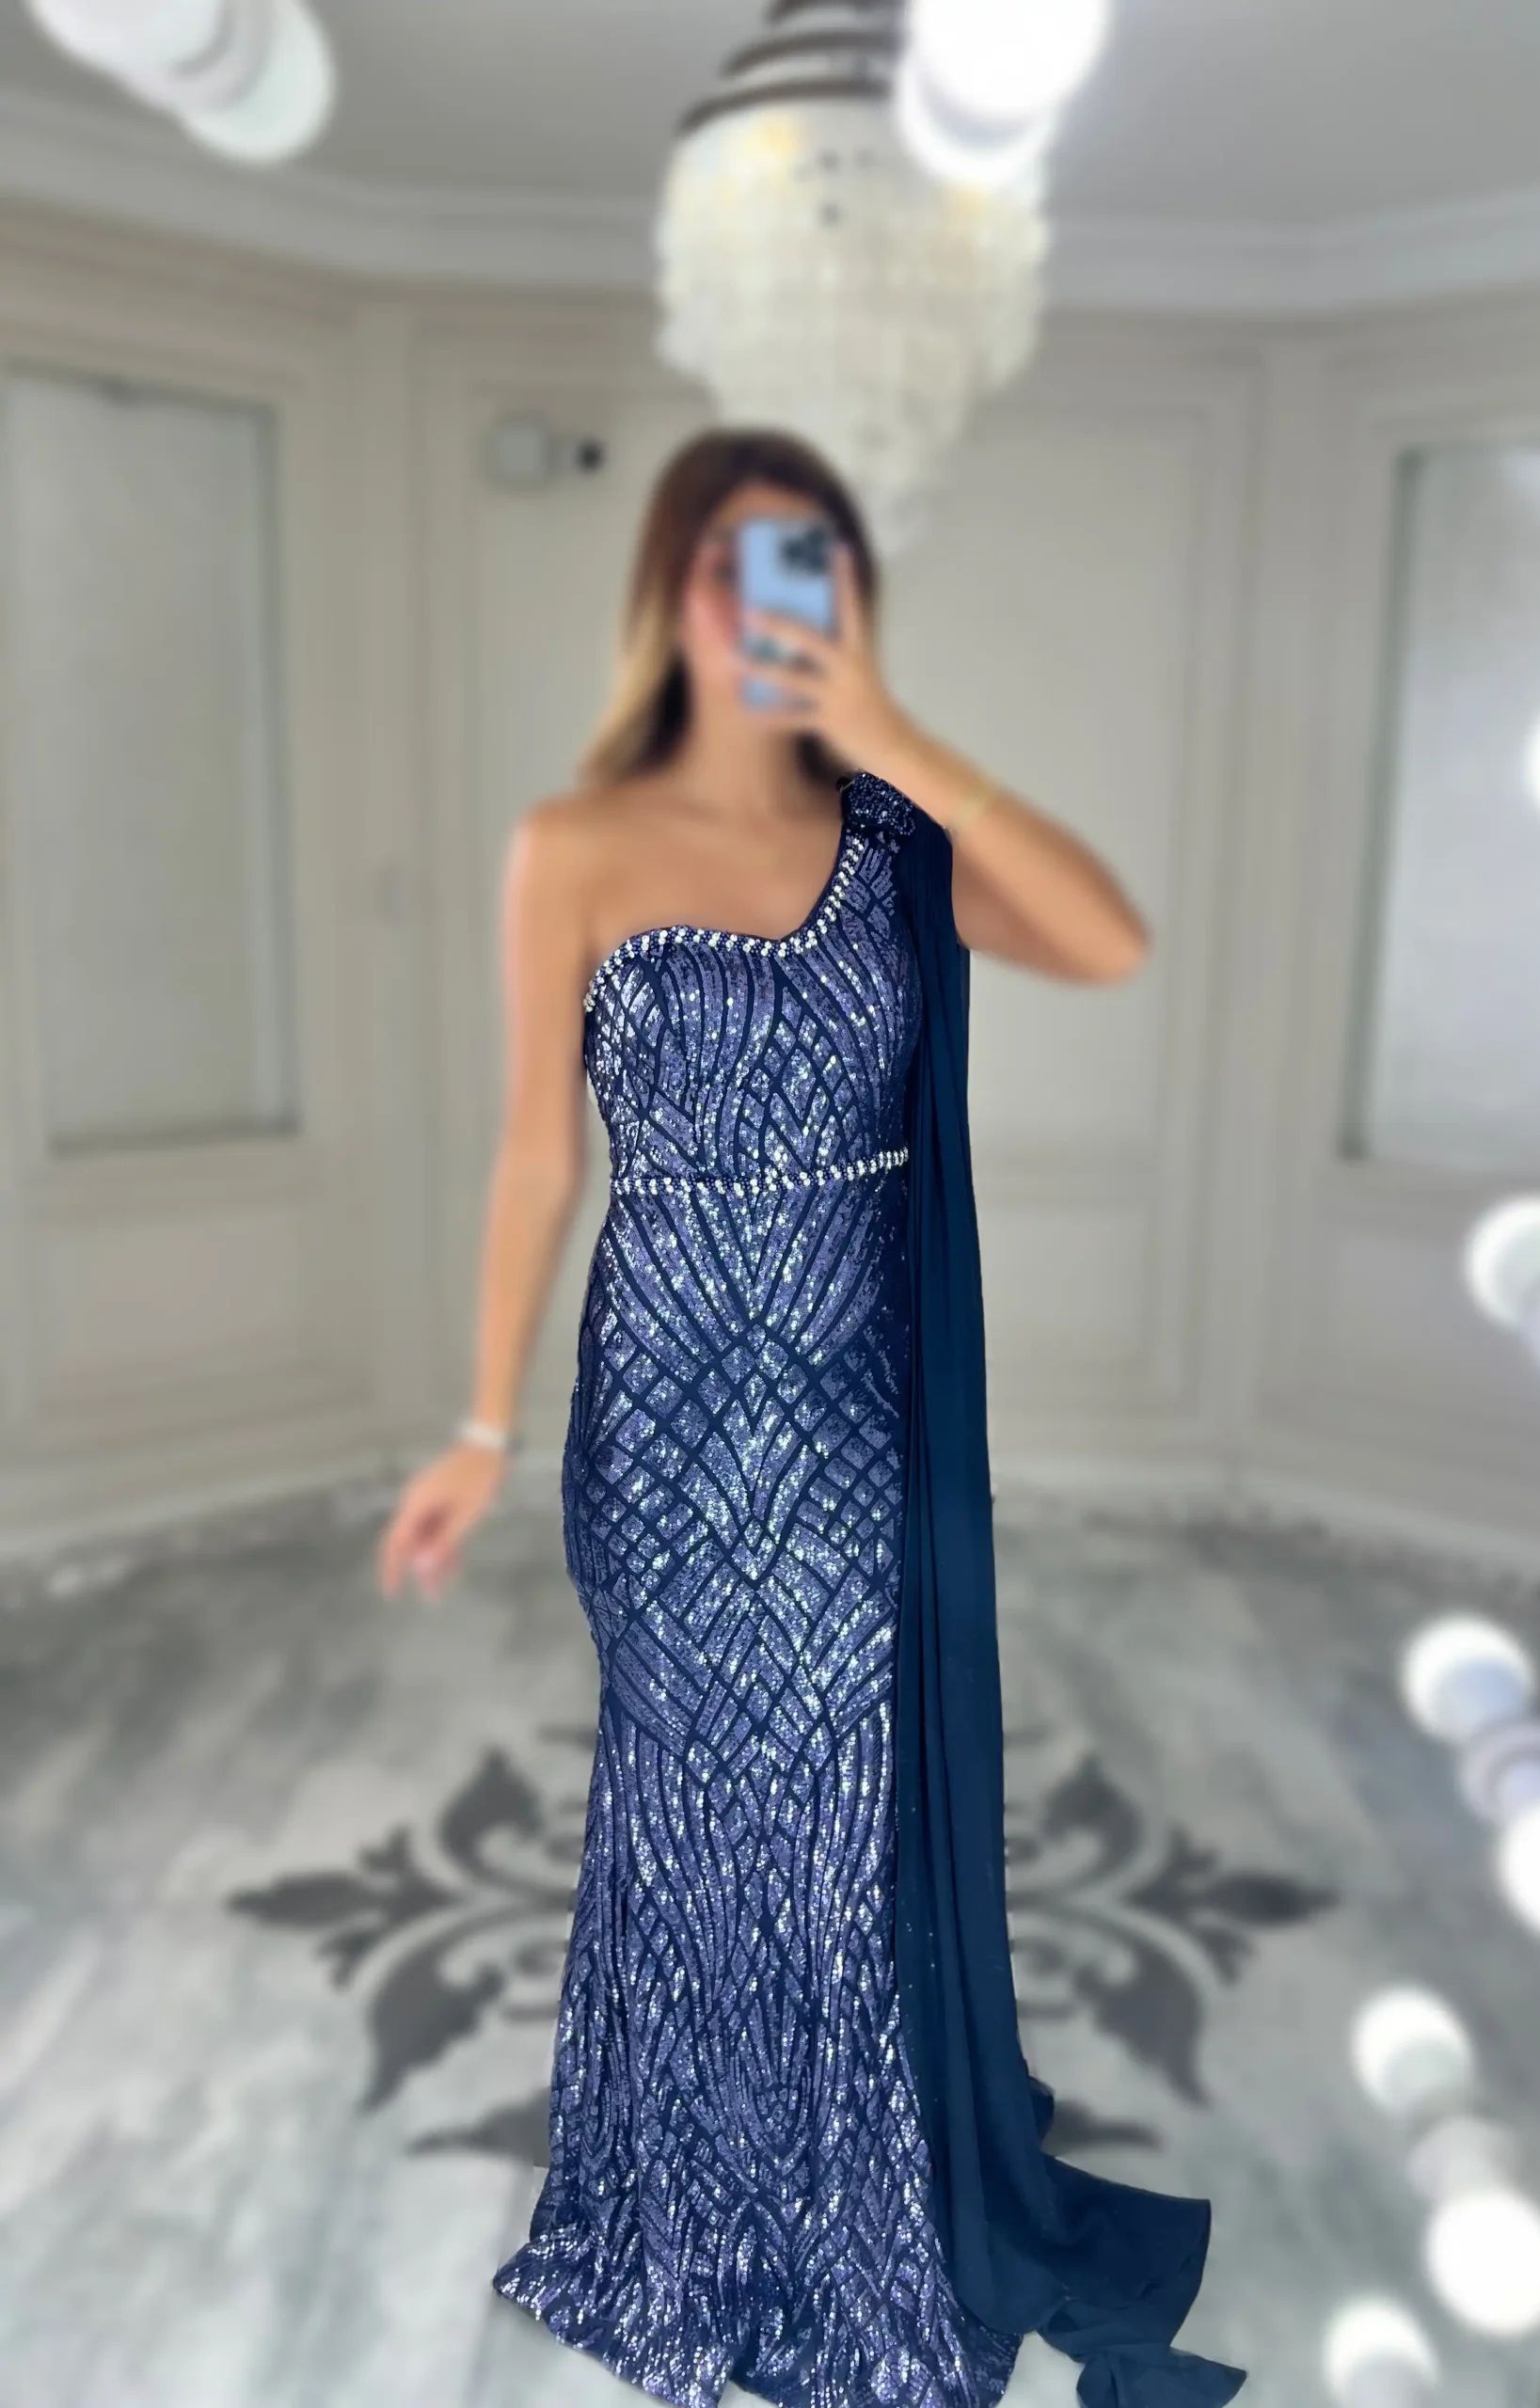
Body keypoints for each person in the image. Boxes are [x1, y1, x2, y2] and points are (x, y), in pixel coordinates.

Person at [377, 428, 1245, 2408]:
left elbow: (1105, 937)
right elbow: (536, 1154)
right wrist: (482, 1429)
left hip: (857, 1417)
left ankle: (857, 2218)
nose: (762, 603)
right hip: (664, 1413)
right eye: (731, 565)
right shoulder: (572, 845)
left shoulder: (896, 836)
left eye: (806, 569)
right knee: (697, 1811)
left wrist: (891, 730)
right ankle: (692, 2202)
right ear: (667, 592)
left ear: (845, 600)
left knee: (842, 1817)